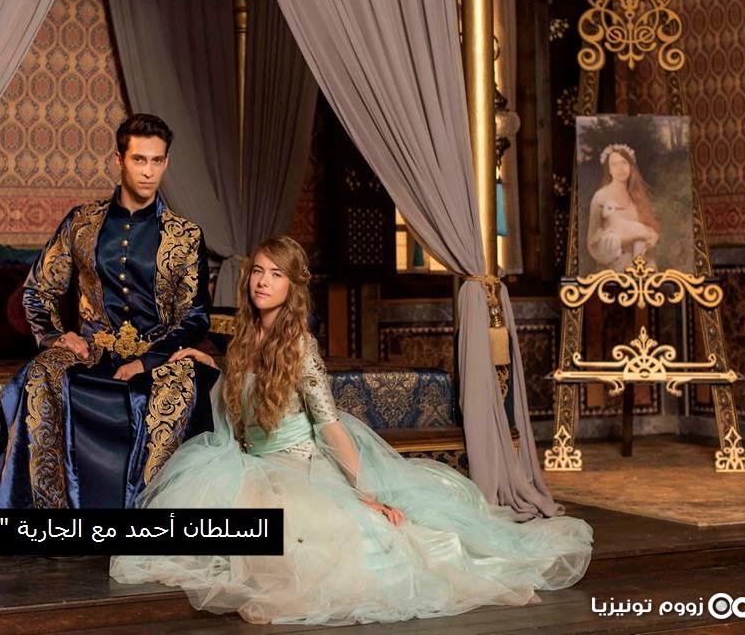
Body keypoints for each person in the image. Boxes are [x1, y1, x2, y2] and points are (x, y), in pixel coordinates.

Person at [110, 236, 593, 626]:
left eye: (276, 274)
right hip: (250, 464)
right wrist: (208, 360)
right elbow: (246, 392)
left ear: (292, 287)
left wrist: (364, 494)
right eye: (257, 270)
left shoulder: (300, 346)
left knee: (314, 550)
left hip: (298, 467)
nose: (262, 281)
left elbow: (330, 425)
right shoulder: (243, 336)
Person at [0, 114, 218, 509]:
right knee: (41, 372)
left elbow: (195, 315)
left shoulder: (185, 235)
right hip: (91, 351)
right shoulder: (82, 223)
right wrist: (57, 336)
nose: (148, 172)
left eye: (157, 161)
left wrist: (146, 361)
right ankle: (41, 508)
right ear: (119, 159)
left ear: (166, 162)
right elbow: (38, 291)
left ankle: (149, 513)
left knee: (180, 386)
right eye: (139, 160)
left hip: (157, 356)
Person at [587, 143, 661, 272]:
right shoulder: (601, 197)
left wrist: (653, 235)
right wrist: (635, 237)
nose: (620, 168)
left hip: (642, 267)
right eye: (614, 164)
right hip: (615, 270)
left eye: (624, 163)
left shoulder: (636, 196)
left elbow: (649, 227)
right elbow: (593, 243)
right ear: (609, 170)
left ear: (631, 166)